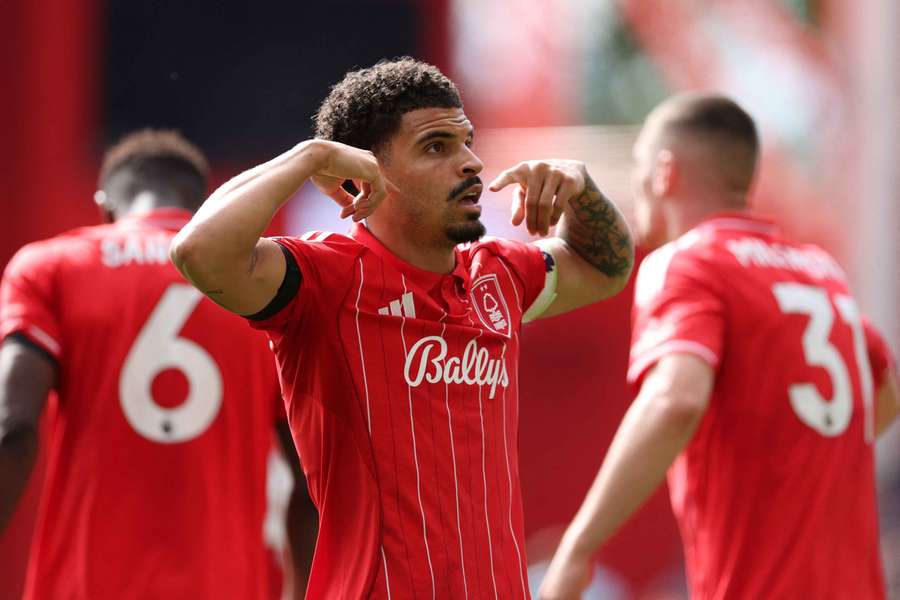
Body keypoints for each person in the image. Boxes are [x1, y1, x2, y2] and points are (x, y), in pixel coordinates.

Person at [169, 57, 635, 599]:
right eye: (437, 147)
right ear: (365, 174)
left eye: (466, 142)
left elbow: (607, 267)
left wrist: (582, 192)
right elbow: (198, 251)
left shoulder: (501, 275)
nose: (470, 164)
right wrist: (309, 156)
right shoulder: (328, 277)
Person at [538, 93, 900, 600]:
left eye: (640, 167)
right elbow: (885, 389)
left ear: (664, 172)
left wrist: (578, 547)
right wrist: (798, 465)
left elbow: (676, 399)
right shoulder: (821, 270)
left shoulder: (686, 260)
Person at [0, 130, 317, 600]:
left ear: (105, 206)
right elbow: (312, 478)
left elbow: (12, 426)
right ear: (201, 206)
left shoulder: (51, 267)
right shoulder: (262, 291)